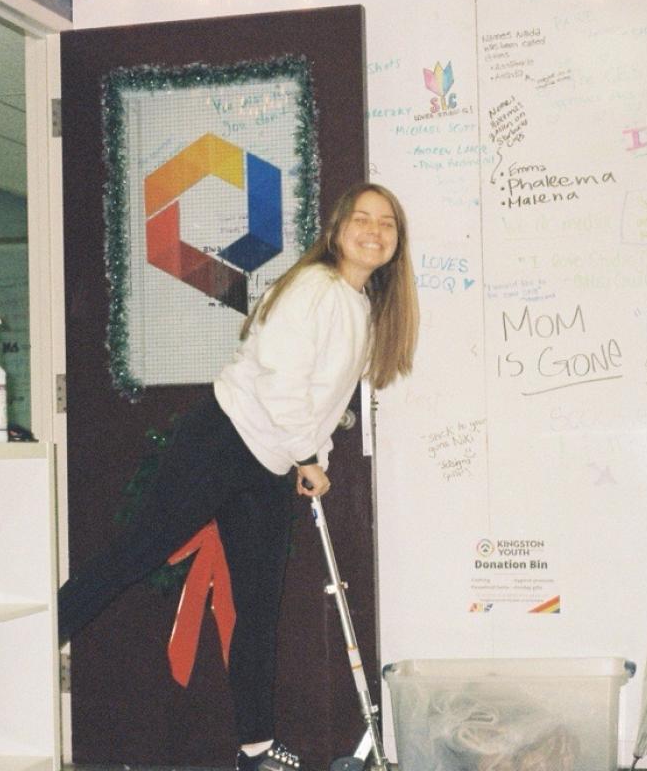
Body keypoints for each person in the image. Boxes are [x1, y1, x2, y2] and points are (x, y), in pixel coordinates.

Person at [57, 182, 419, 771]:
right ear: (336, 230)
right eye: (362, 218)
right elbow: (279, 377)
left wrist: (314, 457)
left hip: (268, 460)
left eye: (387, 224)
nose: (374, 231)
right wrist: (306, 454)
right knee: (135, 555)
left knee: (257, 606)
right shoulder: (315, 287)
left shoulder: (359, 305)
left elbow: (320, 399)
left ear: (396, 242)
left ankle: (254, 749)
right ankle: (34, 638)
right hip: (223, 440)